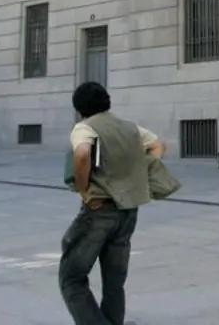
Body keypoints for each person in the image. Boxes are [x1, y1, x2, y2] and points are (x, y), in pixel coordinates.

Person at [61, 81, 164, 325]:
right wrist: (138, 174)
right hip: (128, 211)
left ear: (80, 108)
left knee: (72, 277)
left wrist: (84, 188)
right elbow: (159, 146)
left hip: (99, 210)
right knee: (114, 283)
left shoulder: (84, 128)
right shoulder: (130, 128)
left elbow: (82, 154)